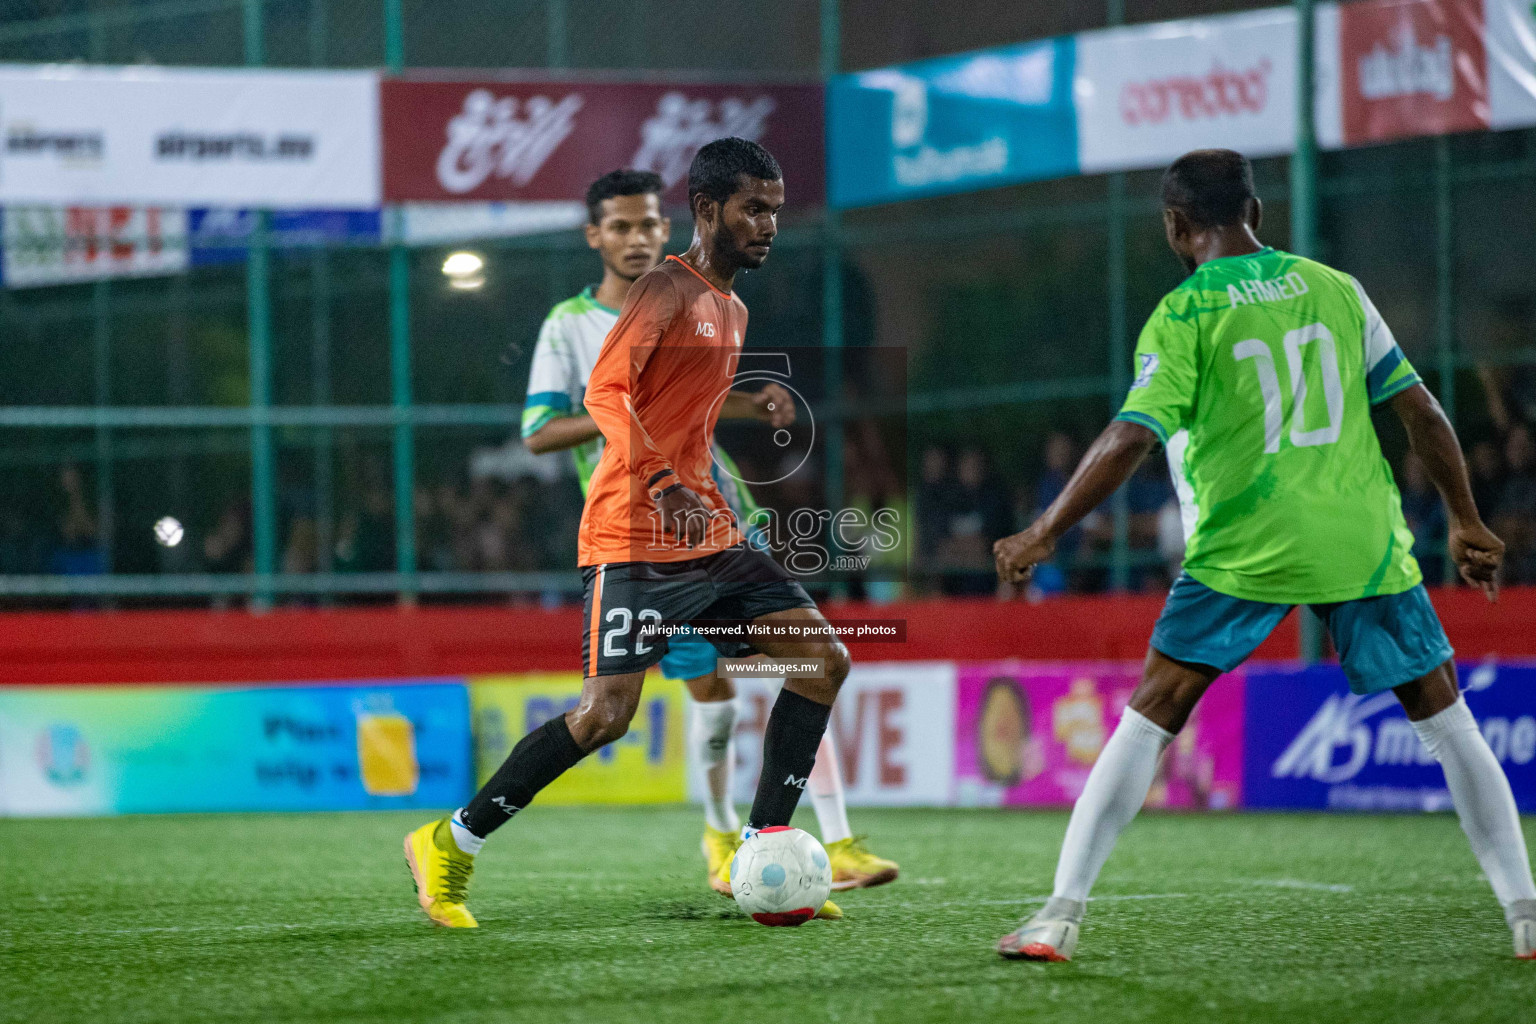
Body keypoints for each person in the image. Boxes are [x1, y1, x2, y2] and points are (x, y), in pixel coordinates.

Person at [991, 149, 1535, 962]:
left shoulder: (1184, 314)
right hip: (1359, 539)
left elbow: (1132, 435)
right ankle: (1526, 915)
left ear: (1176, 226)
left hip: (1244, 547)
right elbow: (1421, 412)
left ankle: (1059, 917)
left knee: (1150, 716)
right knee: (1448, 720)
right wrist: (1465, 520)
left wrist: (1045, 528)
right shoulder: (1338, 289)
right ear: (1257, 210)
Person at [404, 139, 860, 928]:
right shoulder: (662, 290)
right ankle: (450, 842)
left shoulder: (733, 308)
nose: (768, 224)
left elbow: (689, 413)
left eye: (776, 211)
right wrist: (659, 482)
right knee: (604, 716)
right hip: (632, 537)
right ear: (708, 210)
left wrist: (726, 454)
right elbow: (606, 393)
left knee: (820, 660)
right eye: (754, 208)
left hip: (711, 538)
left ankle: (763, 846)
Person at [514, 168, 896, 895]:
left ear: (670, 225)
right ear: (595, 237)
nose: (638, 238)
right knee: (694, 694)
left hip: (717, 513)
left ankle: (825, 840)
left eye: (648, 224)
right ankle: (724, 836)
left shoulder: (705, 299)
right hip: (638, 532)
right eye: (620, 227)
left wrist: (749, 406)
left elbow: (694, 405)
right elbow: (538, 432)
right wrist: (634, 428)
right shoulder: (570, 324)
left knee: (805, 662)